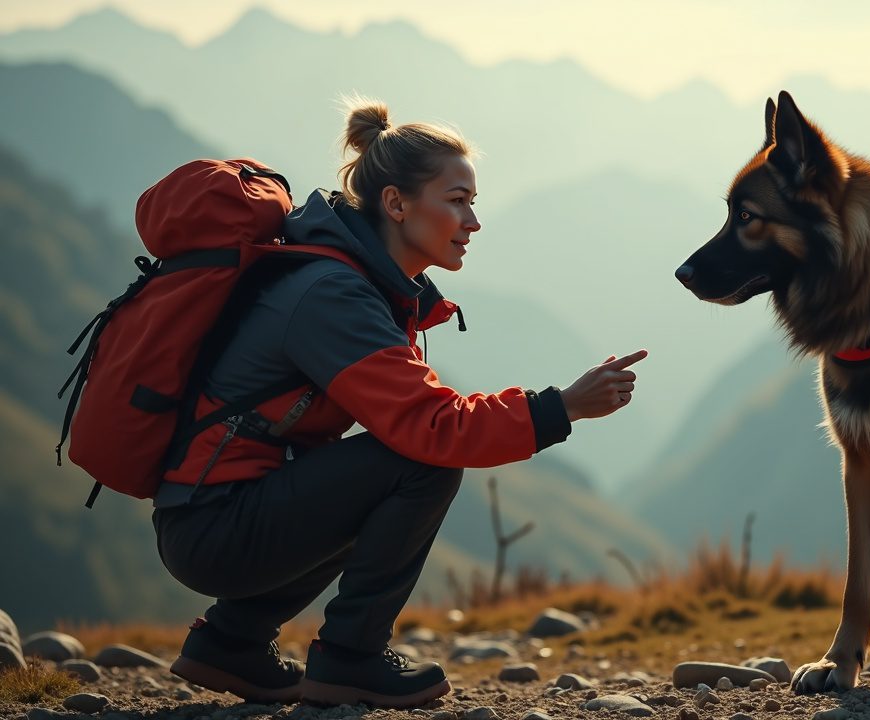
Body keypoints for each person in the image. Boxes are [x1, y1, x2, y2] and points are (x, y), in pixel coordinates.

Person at [152, 98, 647, 708]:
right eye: (458, 200)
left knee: (389, 465)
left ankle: (232, 642)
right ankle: (350, 657)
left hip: (218, 513)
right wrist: (561, 407)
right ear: (396, 204)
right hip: (215, 529)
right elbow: (434, 427)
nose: (473, 221)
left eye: (474, 202)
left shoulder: (362, 286)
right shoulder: (333, 296)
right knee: (421, 461)